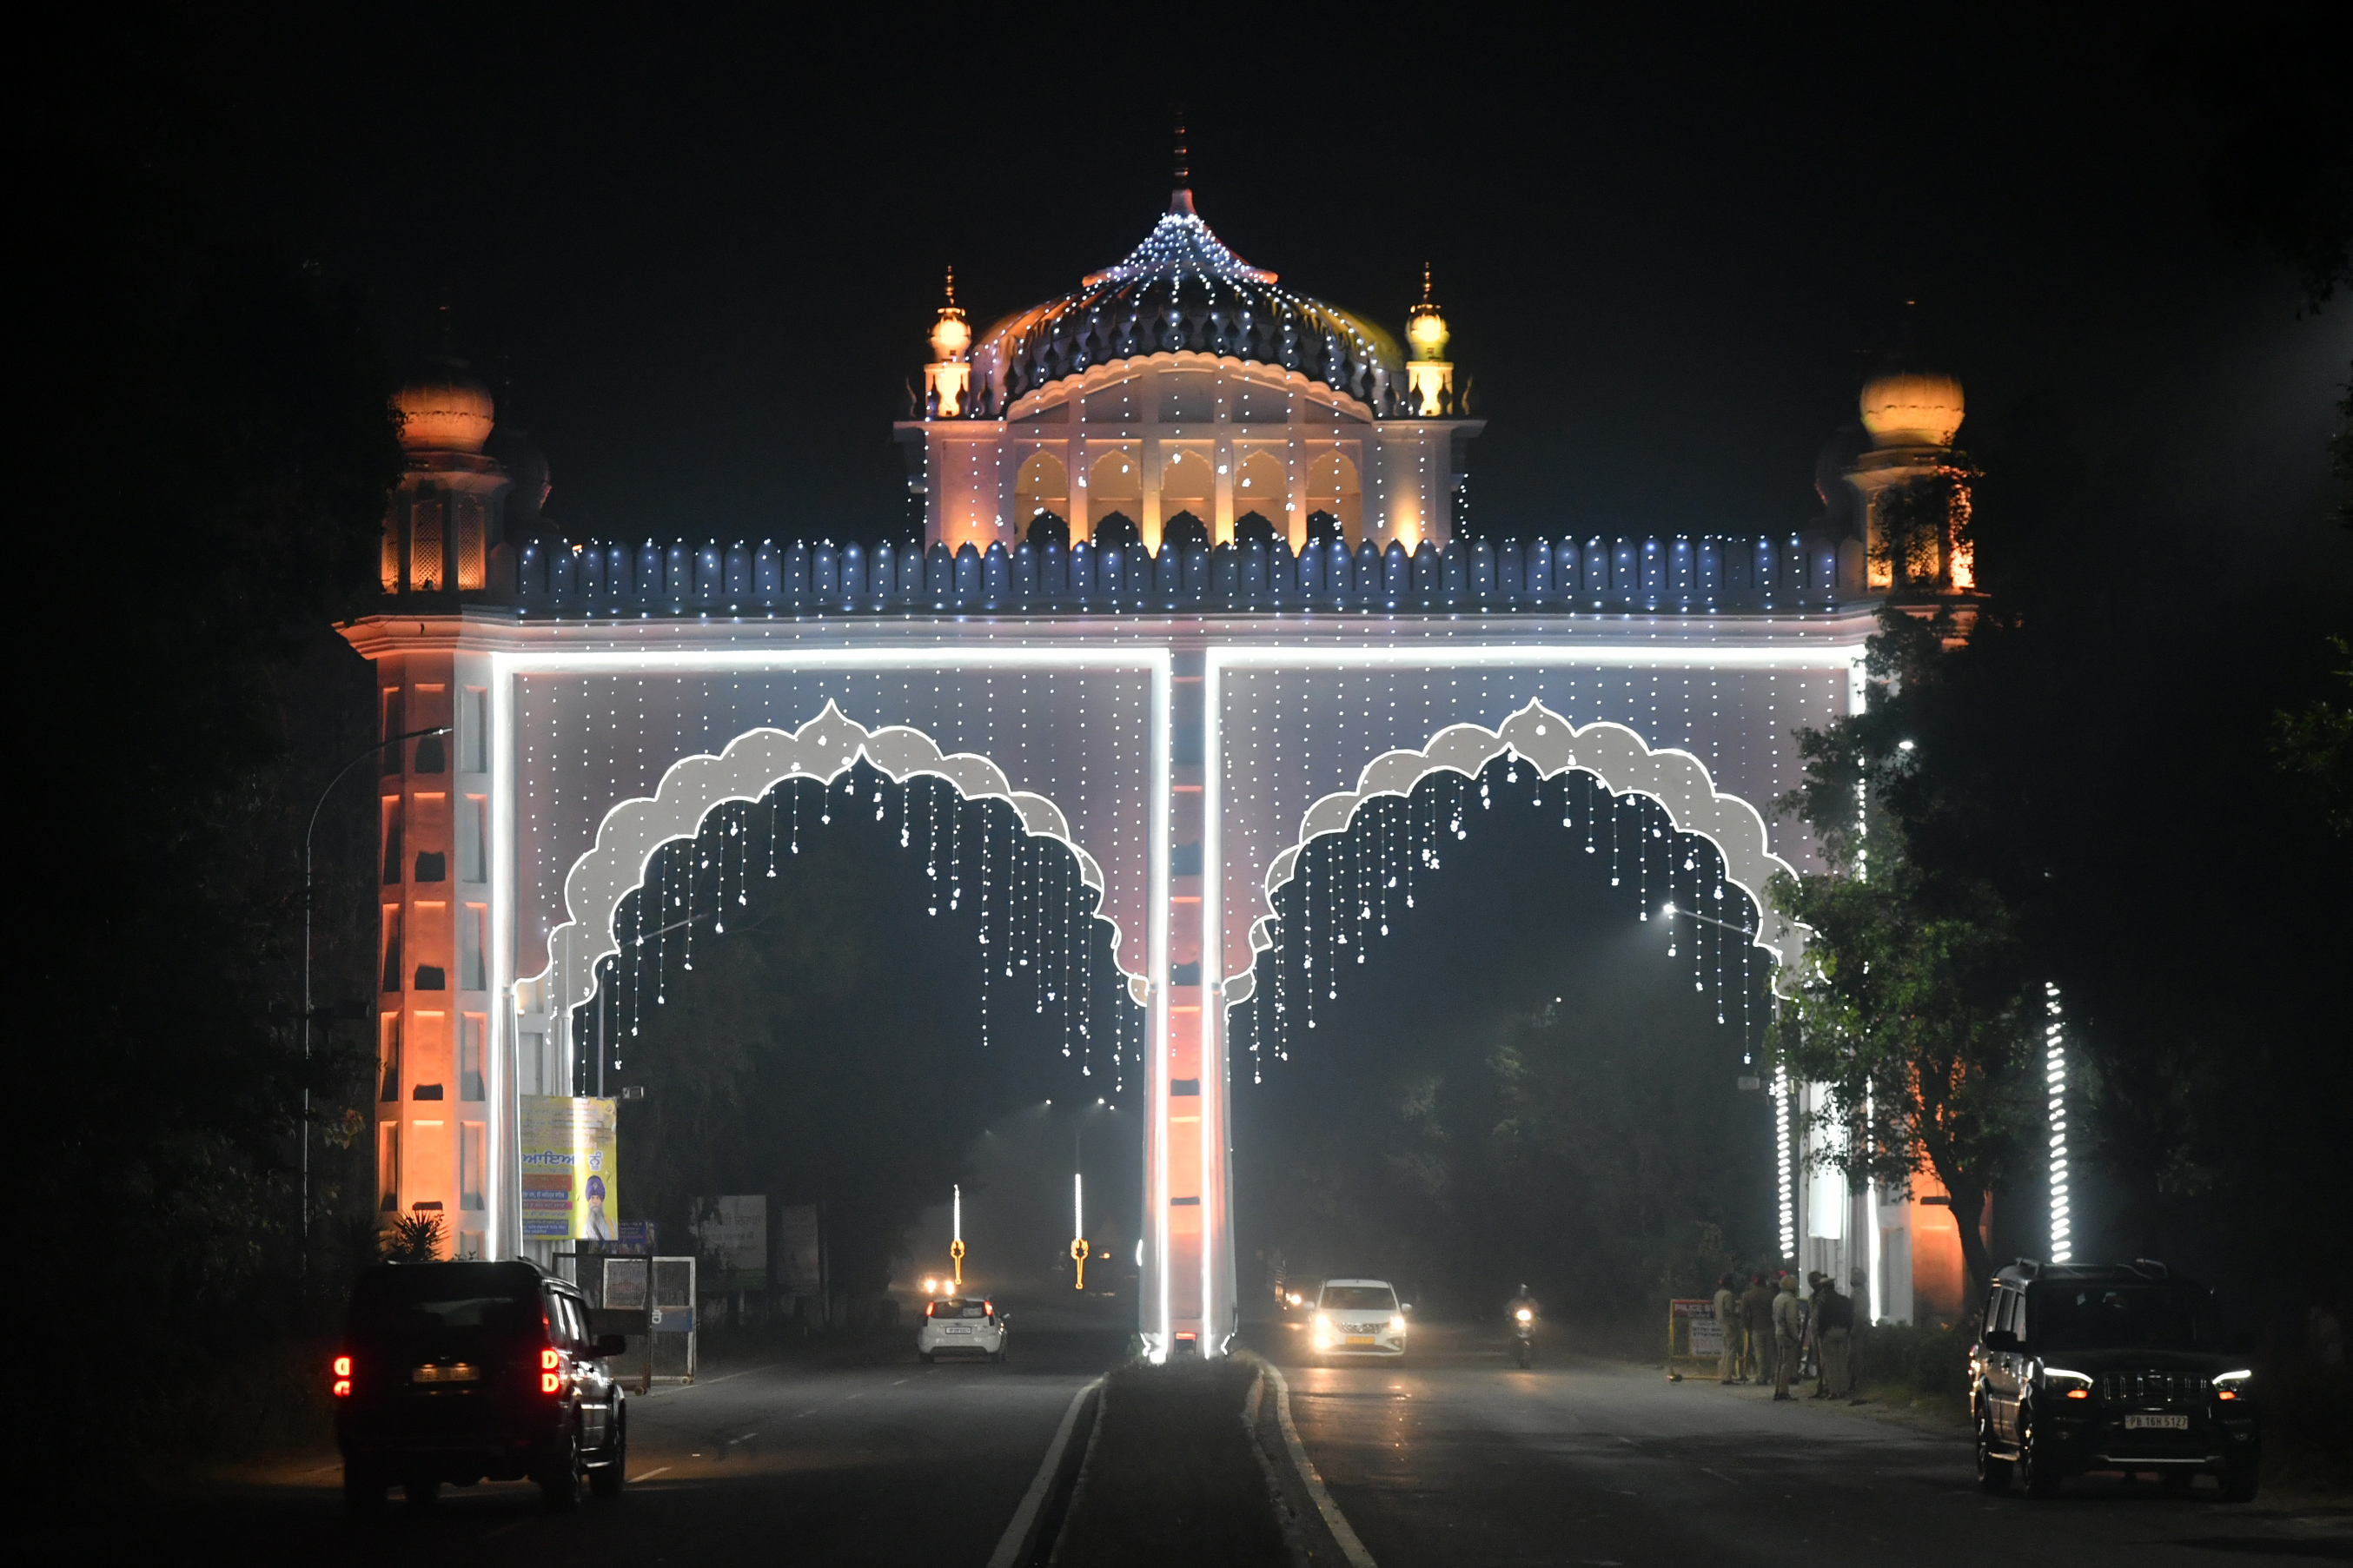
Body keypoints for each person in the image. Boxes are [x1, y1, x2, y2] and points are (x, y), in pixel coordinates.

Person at [1813, 1275, 1854, 1399]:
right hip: (1843, 1332)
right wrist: (1848, 1330)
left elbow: (1820, 1320)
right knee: (1842, 1362)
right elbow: (1850, 1317)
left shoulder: (1823, 1302)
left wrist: (1820, 1334)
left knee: (1831, 1363)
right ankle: (1844, 1389)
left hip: (1829, 1333)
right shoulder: (1844, 1300)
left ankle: (1833, 1391)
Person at [1739, 1273, 1774, 1387]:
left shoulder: (1749, 1295)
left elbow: (1743, 1313)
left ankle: (1761, 1376)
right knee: (1769, 1353)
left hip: (1755, 1327)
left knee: (1759, 1353)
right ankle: (1771, 1375)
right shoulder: (1771, 1294)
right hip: (1770, 1326)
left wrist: (1747, 1326)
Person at [1771, 1274, 1803, 1399]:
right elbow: (1791, 1320)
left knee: (1780, 1362)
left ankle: (1778, 1389)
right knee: (1787, 1363)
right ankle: (1784, 1391)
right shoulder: (1790, 1300)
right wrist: (1796, 1336)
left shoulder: (1778, 1298)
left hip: (1778, 1331)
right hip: (1787, 1334)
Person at [1712, 1273, 1741, 1384]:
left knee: (1725, 1349)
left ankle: (1723, 1373)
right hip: (1730, 1324)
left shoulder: (1718, 1294)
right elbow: (1730, 1310)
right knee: (1731, 1350)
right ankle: (1728, 1376)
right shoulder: (1728, 1295)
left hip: (1721, 1323)